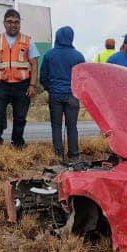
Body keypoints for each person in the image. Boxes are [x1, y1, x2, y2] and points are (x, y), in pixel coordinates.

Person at [0, 9, 37, 147]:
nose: (13, 25)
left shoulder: (27, 41)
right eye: (9, 22)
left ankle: (17, 142)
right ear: (4, 23)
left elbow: (34, 64)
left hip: (22, 85)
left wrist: (32, 85)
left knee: (20, 117)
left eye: (16, 22)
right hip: (2, 85)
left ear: (20, 24)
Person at [38, 25, 85, 161]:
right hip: (72, 96)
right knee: (72, 126)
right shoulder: (78, 56)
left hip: (55, 95)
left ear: (57, 37)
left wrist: (50, 88)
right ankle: (74, 154)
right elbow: (83, 78)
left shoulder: (49, 55)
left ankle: (58, 155)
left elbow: (43, 77)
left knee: (56, 126)